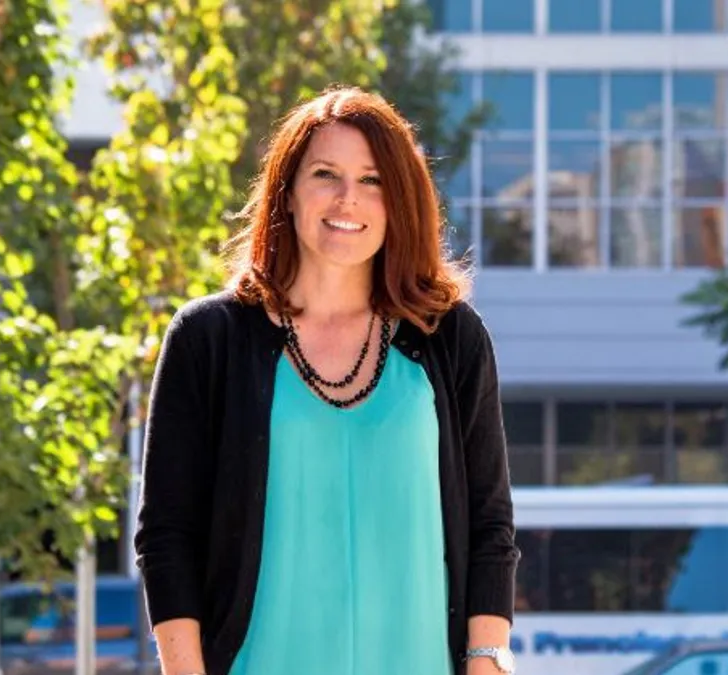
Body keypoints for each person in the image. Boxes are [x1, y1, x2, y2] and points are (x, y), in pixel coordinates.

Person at [134, 85, 520, 675]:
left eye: (373, 180)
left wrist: (486, 659)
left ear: (400, 201)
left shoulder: (451, 338)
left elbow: (489, 524)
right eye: (325, 174)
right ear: (286, 193)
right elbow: (167, 537)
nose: (349, 198)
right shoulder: (207, 340)